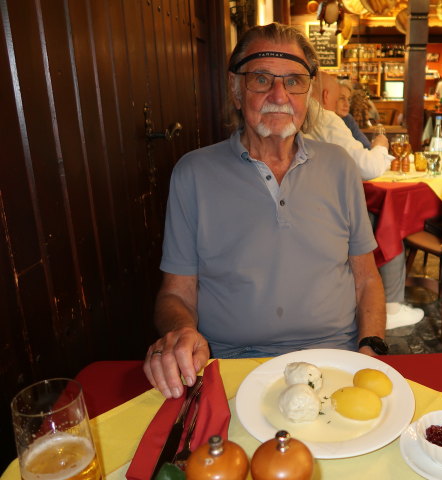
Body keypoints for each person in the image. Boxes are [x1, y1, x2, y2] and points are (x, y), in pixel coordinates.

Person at [144, 23, 387, 399]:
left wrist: (371, 348)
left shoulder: (340, 166)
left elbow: (367, 279)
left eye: (293, 81)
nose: (279, 94)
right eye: (261, 79)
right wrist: (182, 332)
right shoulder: (192, 174)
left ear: (309, 94)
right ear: (236, 89)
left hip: (335, 362)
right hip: (231, 367)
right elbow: (176, 294)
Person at [308, 71, 424, 330]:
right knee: (387, 222)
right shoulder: (324, 120)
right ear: (327, 96)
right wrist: (381, 144)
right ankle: (392, 308)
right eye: (340, 97)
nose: (343, 103)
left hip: (313, 210)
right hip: (331, 216)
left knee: (379, 215)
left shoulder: (305, 120)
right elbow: (369, 167)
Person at [306, 71, 390, 179]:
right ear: (325, 95)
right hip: (323, 192)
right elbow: (369, 168)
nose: (337, 105)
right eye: (337, 99)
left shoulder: (301, 115)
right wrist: (381, 146)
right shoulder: (325, 118)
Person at [336, 81, 371, 148]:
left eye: (348, 99)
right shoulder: (325, 121)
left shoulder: (348, 119)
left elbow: (366, 145)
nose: (347, 104)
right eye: (342, 98)